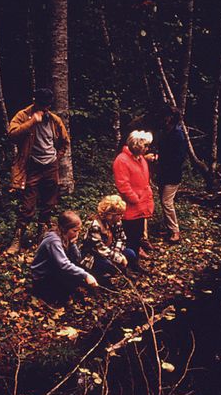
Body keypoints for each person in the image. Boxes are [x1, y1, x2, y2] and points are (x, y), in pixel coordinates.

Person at [6, 88, 70, 254]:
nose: (44, 109)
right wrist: (32, 122)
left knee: (49, 202)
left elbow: (65, 141)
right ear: (35, 101)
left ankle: (42, 234)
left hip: (50, 166)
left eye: (47, 106)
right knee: (28, 205)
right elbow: (12, 135)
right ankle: (18, 238)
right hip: (32, 166)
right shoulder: (23, 115)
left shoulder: (54, 120)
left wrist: (57, 156)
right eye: (42, 105)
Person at [31, 211, 98, 305]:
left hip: (53, 270)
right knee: (63, 294)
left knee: (78, 277)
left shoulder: (66, 237)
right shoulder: (54, 240)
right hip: (42, 277)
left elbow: (77, 258)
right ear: (64, 228)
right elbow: (63, 264)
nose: (77, 234)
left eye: (79, 230)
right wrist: (85, 275)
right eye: (75, 231)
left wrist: (73, 244)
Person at [112, 130, 156, 270]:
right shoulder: (121, 160)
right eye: (146, 146)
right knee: (129, 237)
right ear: (137, 146)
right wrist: (135, 199)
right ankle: (127, 265)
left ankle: (135, 262)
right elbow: (123, 185)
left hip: (142, 205)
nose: (147, 148)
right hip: (131, 206)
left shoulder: (140, 158)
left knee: (137, 236)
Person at [81, 195, 137, 282]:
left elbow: (121, 238)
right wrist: (118, 258)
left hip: (111, 251)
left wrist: (117, 252)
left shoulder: (117, 222)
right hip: (94, 255)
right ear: (110, 214)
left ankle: (122, 271)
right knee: (108, 264)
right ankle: (99, 276)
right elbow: (99, 249)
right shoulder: (95, 225)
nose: (121, 216)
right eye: (119, 214)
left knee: (130, 253)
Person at [155, 104, 188, 243]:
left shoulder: (178, 135)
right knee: (164, 202)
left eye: (167, 116)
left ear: (171, 118)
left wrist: (163, 160)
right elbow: (160, 150)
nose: (165, 119)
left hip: (172, 175)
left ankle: (175, 231)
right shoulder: (164, 132)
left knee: (167, 202)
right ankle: (169, 228)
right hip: (162, 173)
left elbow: (179, 158)